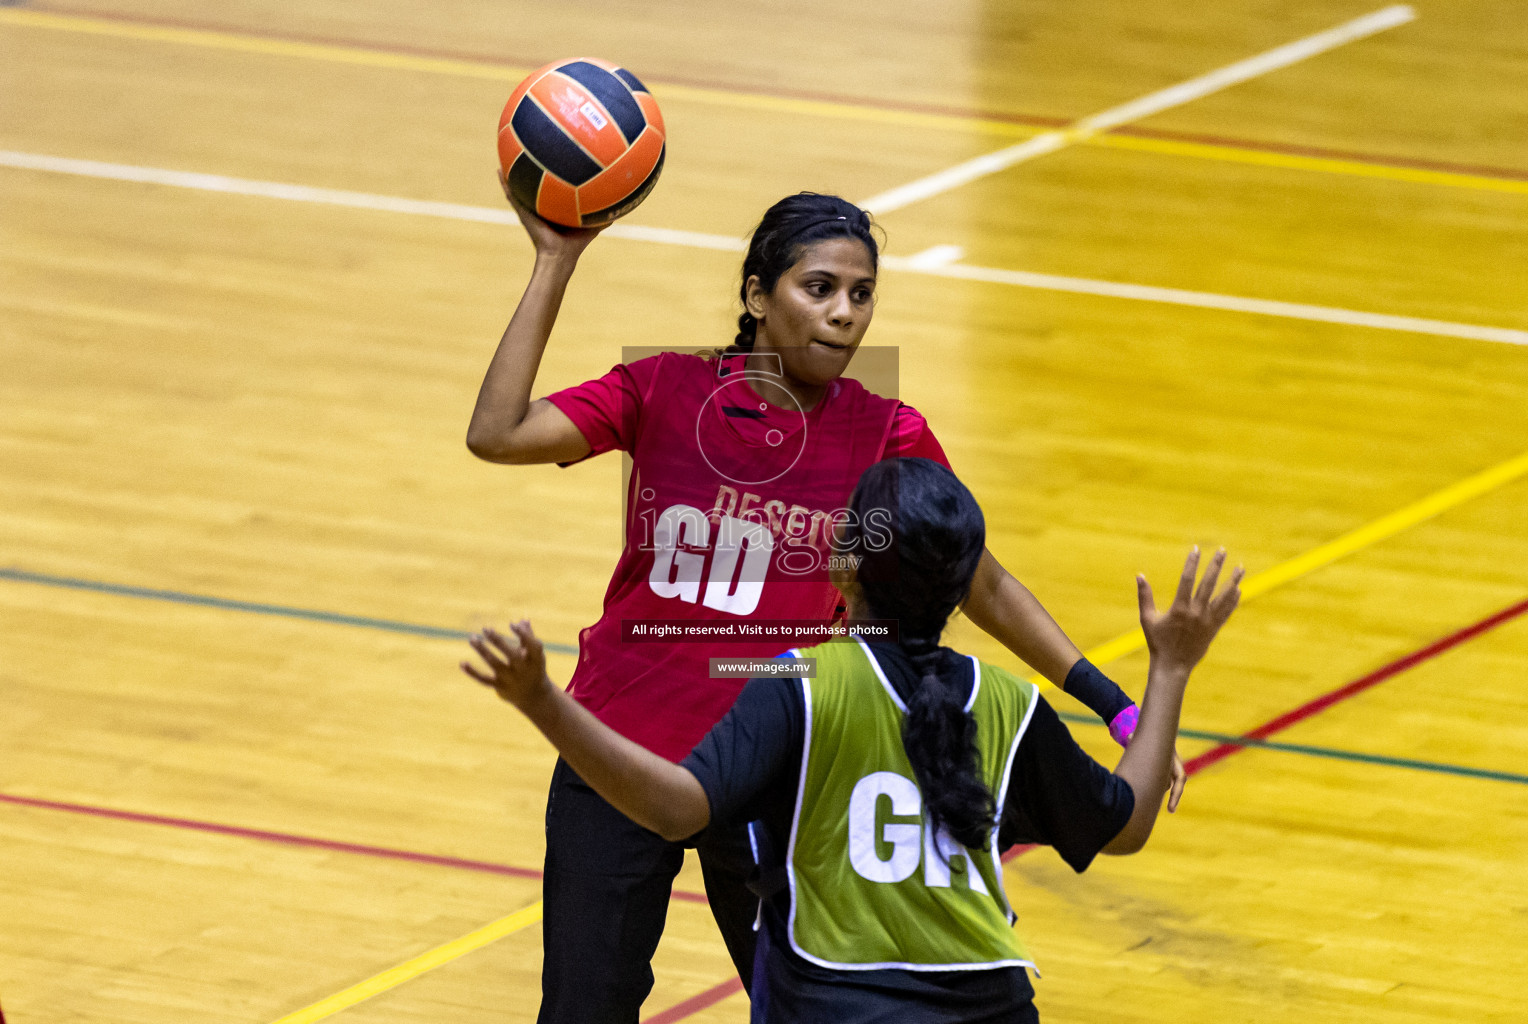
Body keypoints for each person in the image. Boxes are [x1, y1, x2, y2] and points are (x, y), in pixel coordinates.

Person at [466, 184, 1184, 1022]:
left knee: (801, 1007)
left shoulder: (887, 432)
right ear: (757, 295)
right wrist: (558, 259)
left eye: (862, 293)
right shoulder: (663, 388)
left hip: (778, 768)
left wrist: (1113, 702)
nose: (845, 314)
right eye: (819, 289)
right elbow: (497, 432)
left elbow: (982, 582)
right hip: (621, 748)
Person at [462, 457, 1242, 1022]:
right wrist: (1169, 668)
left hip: (837, 1006)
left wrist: (544, 704)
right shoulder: (1010, 702)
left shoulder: (798, 683)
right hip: (993, 1003)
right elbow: (1128, 821)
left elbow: (675, 812)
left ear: (842, 567)